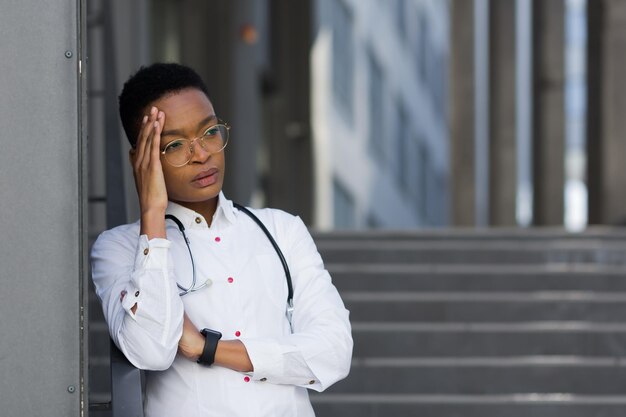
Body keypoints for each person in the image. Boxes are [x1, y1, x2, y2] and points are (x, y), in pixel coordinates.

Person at [90, 63, 353, 417]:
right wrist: (152, 211)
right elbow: (151, 350)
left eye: (210, 131)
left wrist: (205, 348)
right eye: (176, 145)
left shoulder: (281, 230)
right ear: (142, 158)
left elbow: (333, 352)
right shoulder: (119, 249)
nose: (202, 154)